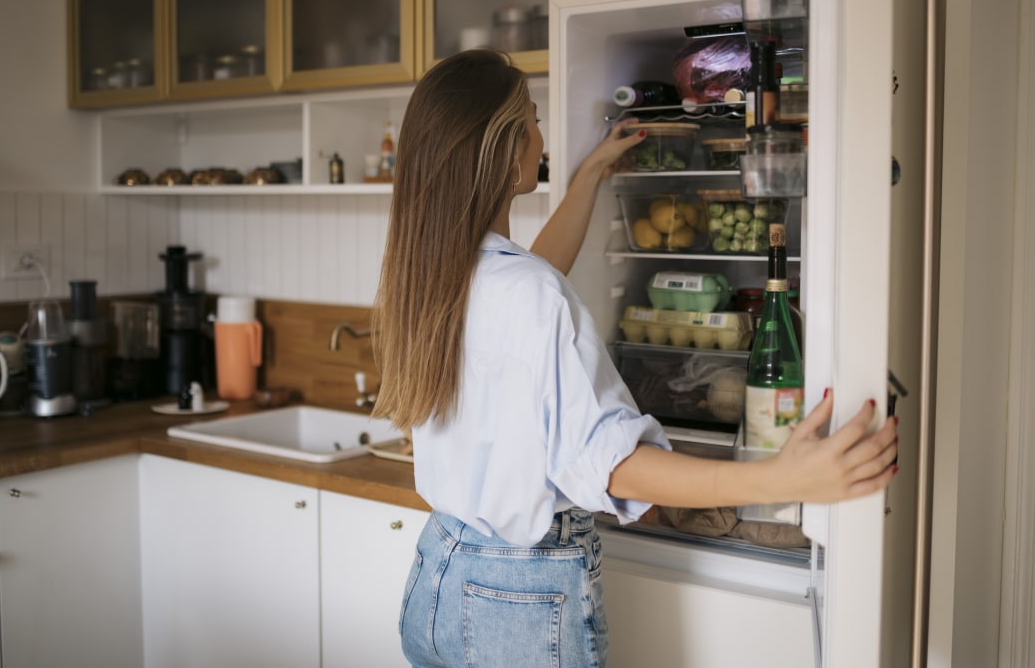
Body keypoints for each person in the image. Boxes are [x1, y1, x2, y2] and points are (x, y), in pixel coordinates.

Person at [371, 49, 897, 668]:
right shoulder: (527, 294)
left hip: (439, 574)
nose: (541, 135)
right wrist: (781, 479)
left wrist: (592, 172)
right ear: (506, 146)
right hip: (520, 602)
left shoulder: (428, 276)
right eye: (532, 119)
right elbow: (611, 466)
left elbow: (536, 281)